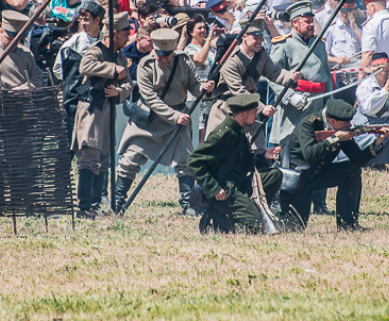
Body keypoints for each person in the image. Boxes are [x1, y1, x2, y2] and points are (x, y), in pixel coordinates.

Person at [114, 29, 215, 215]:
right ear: (155, 50)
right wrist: (174, 116)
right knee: (131, 160)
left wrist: (203, 88)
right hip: (150, 119)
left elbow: (193, 84)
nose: (166, 59)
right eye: (161, 55)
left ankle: (188, 205)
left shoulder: (183, 61)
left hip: (178, 118)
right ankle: (118, 202)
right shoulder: (145, 65)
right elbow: (150, 98)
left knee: (184, 162)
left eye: (168, 55)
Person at [278, 99, 389, 229]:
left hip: (318, 174)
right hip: (298, 181)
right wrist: (335, 138)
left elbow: (358, 159)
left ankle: (347, 224)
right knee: (294, 227)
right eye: (346, 123)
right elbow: (310, 154)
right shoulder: (309, 125)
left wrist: (378, 141)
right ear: (332, 121)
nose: (350, 125)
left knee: (352, 170)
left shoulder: (341, 130)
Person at [268, 1, 334, 215]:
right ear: (295, 23)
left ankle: (319, 202)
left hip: (317, 105)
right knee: (286, 154)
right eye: (306, 22)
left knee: (319, 154)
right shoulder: (283, 44)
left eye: (311, 21)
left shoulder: (320, 44)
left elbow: (326, 76)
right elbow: (273, 77)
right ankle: (279, 199)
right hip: (293, 109)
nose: (311, 25)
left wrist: (329, 105)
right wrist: (290, 96)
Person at [187, 93, 283, 234]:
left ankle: (253, 207)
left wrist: (264, 157)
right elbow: (193, 160)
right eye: (253, 112)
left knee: (275, 175)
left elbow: (242, 163)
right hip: (225, 190)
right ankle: (217, 217)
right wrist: (213, 188)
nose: (256, 116)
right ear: (243, 114)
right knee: (256, 224)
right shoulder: (224, 134)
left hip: (239, 182)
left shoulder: (238, 130)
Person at [70, 12, 133, 218]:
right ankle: (84, 207)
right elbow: (85, 67)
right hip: (90, 108)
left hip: (107, 109)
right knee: (90, 156)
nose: (128, 37)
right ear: (115, 34)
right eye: (125, 33)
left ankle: (96, 203)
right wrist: (112, 68)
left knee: (104, 157)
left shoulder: (120, 55)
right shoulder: (95, 50)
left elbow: (128, 83)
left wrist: (120, 92)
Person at [205, 18, 300, 147]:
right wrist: (262, 108)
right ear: (244, 36)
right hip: (227, 111)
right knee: (222, 151)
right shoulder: (230, 58)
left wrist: (290, 76)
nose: (259, 42)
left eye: (261, 38)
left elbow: (274, 72)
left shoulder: (261, 55)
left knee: (257, 151)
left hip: (250, 111)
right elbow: (238, 90)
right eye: (256, 38)